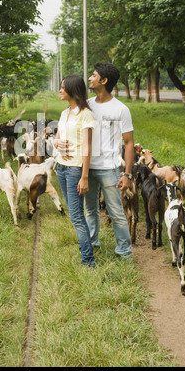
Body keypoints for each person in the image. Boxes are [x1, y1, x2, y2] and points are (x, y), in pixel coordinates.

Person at [84, 62, 134, 259]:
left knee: (116, 213)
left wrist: (127, 174)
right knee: (90, 210)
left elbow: (129, 143)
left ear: (103, 81)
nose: (90, 78)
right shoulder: (86, 105)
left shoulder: (121, 109)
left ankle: (124, 251)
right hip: (87, 169)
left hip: (109, 169)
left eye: (94, 75)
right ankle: (92, 244)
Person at [54, 75, 96, 267]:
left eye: (63, 87)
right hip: (61, 168)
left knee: (77, 216)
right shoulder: (65, 114)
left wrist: (84, 177)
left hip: (74, 170)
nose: (60, 90)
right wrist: (56, 143)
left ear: (72, 89)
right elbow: (57, 138)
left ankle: (89, 261)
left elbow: (87, 147)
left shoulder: (85, 114)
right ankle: (86, 250)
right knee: (75, 213)